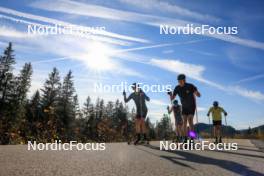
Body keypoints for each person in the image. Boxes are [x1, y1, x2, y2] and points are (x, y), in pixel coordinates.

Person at [168, 74, 201, 143]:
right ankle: (185, 138)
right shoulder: (177, 88)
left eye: (181, 80)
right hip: (184, 106)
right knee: (184, 121)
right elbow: (172, 98)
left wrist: (197, 93)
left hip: (191, 106)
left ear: (184, 80)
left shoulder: (190, 86)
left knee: (190, 120)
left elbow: (198, 95)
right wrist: (170, 94)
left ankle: (192, 137)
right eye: (178, 81)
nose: (180, 82)